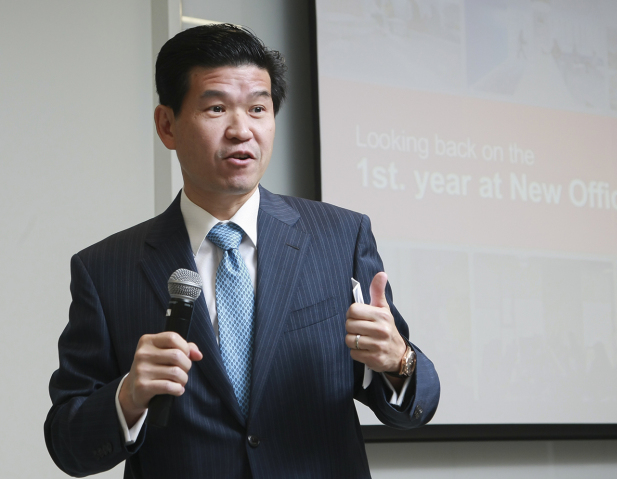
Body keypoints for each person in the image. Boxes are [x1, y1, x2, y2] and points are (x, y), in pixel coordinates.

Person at [45, 24, 440, 478]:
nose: (241, 130)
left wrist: (398, 361)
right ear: (167, 125)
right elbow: (67, 443)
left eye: (258, 108)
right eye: (216, 108)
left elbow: (414, 406)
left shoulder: (340, 236)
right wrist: (128, 396)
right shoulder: (105, 269)